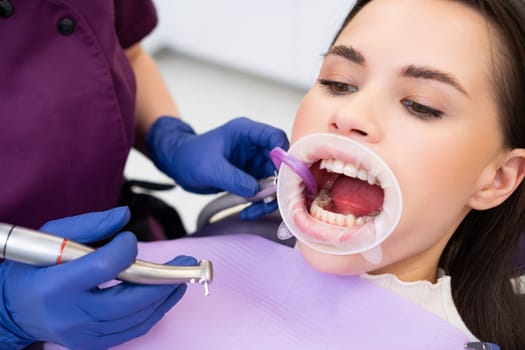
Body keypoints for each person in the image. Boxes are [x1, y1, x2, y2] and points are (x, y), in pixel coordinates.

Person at [70, 0, 523, 349]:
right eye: (338, 81)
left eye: (420, 105)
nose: (350, 113)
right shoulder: (184, 253)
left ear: (497, 178)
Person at [0, 1, 287, 349]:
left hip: (126, 233)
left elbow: (128, 52)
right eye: (339, 85)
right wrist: (7, 311)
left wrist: (170, 138)